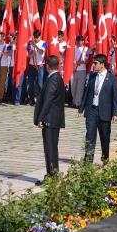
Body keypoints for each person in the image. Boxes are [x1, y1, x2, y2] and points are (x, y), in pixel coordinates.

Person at [78, 53, 117, 163]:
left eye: (95, 63)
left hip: (105, 112)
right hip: (92, 110)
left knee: (105, 138)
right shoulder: (92, 76)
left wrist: (115, 113)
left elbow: (116, 97)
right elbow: (86, 93)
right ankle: (88, 161)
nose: (93, 65)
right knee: (90, 136)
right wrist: (81, 108)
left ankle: (105, 159)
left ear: (102, 64)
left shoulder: (111, 79)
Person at [33, 55, 65, 184]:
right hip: (53, 118)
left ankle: (52, 176)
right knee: (51, 147)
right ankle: (52, 174)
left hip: (50, 119)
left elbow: (48, 100)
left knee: (50, 148)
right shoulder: (57, 77)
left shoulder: (53, 79)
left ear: (47, 66)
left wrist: (41, 117)